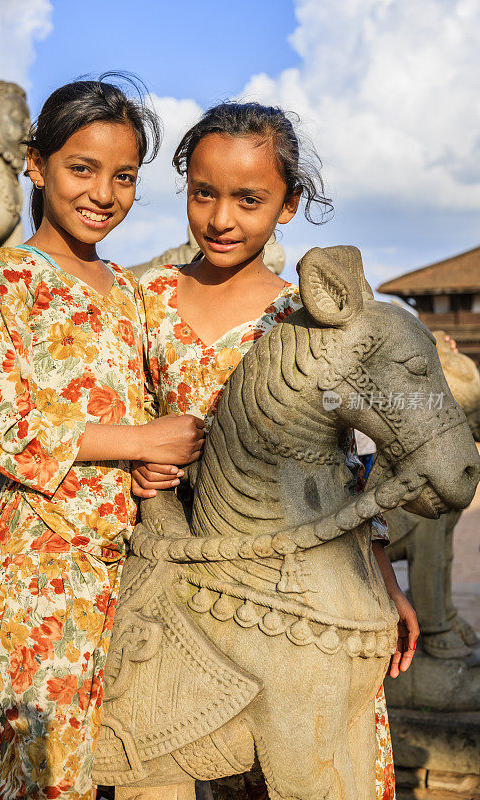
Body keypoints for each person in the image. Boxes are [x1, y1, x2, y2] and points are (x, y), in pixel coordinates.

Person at [133, 102, 419, 800]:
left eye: (248, 199)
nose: (221, 218)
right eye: (204, 193)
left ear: (288, 205)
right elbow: (122, 413)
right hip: (177, 569)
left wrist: (380, 574)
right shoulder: (141, 302)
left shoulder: (306, 321)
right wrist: (138, 456)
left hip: (298, 582)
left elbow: (347, 460)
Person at [0, 75, 205, 800]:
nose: (104, 192)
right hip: (45, 560)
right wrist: (140, 442)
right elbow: (9, 431)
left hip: (129, 544)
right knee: (54, 772)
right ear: (35, 164)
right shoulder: (8, 277)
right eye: (82, 168)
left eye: (124, 176)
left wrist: (157, 465)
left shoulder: (127, 290)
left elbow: (149, 410)